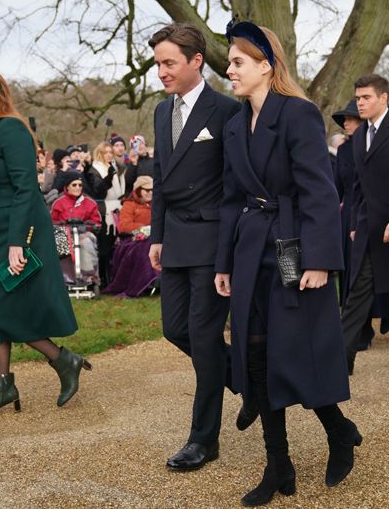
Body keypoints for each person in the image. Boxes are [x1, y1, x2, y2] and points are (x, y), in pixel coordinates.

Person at [214, 21, 361, 506]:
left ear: (264, 65)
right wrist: (224, 263)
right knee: (256, 359)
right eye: (229, 62)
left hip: (294, 248)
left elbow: (320, 189)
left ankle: (339, 433)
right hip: (250, 249)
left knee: (300, 354)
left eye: (237, 62)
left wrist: (320, 258)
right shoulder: (235, 124)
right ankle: (279, 465)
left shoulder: (298, 114)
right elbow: (231, 199)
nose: (229, 69)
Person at [0, 60, 90, 417]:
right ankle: (4, 382)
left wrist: (17, 241)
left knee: (1, 305)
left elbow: (25, 189)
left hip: (16, 229)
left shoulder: (11, 129)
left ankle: (61, 360)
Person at [147, 23, 244, 471]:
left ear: (196, 61)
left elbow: (234, 188)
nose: (161, 71)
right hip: (176, 241)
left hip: (212, 242)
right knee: (175, 330)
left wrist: (228, 250)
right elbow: (163, 181)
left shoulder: (227, 111)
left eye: (169, 62)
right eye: (158, 63)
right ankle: (250, 382)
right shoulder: (160, 112)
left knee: (204, 341)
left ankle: (203, 440)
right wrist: (157, 235)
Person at [342, 74, 389, 374]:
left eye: (365, 97)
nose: (359, 103)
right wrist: (353, 222)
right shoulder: (359, 135)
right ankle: (342, 358)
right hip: (367, 227)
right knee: (357, 293)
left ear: (383, 98)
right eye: (358, 97)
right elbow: (356, 187)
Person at [331, 99, 389, 350]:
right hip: (349, 217)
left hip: (378, 214)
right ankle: (358, 330)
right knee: (352, 273)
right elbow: (339, 187)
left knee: (370, 272)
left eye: (349, 118)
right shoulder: (346, 150)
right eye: (344, 120)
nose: (345, 123)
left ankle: (373, 321)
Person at [103, 175, 158, 298]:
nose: (150, 193)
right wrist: (144, 227)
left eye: (153, 190)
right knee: (143, 249)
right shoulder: (129, 205)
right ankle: (140, 282)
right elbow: (124, 226)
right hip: (132, 239)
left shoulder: (157, 205)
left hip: (154, 237)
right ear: (138, 190)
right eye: (147, 190)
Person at [84, 141, 125, 287]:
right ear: (99, 154)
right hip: (103, 210)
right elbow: (99, 190)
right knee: (104, 247)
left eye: (110, 152)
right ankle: (102, 279)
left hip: (117, 207)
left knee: (115, 246)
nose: (109, 155)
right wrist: (108, 177)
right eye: (105, 152)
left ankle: (113, 278)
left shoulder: (114, 167)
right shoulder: (94, 170)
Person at [50, 170, 101, 283]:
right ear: (67, 186)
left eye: (80, 185)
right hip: (64, 233)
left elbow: (96, 222)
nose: (78, 187)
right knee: (61, 243)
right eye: (74, 185)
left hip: (84, 233)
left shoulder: (90, 203)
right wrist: (61, 226)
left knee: (85, 242)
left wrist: (88, 226)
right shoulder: (58, 203)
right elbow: (52, 222)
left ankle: (88, 276)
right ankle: (64, 278)